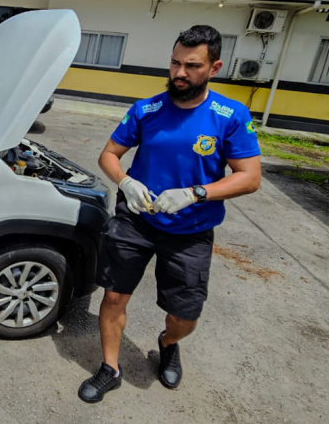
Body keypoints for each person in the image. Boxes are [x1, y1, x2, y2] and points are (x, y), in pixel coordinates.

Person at [78, 25, 261, 403]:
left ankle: (168, 342)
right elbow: (109, 154)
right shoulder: (147, 109)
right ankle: (110, 368)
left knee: (185, 315)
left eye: (192, 66)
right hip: (136, 221)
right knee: (113, 297)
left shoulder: (230, 115)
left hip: (192, 229)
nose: (179, 73)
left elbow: (249, 177)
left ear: (214, 68)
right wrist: (126, 181)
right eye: (175, 63)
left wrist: (196, 193)